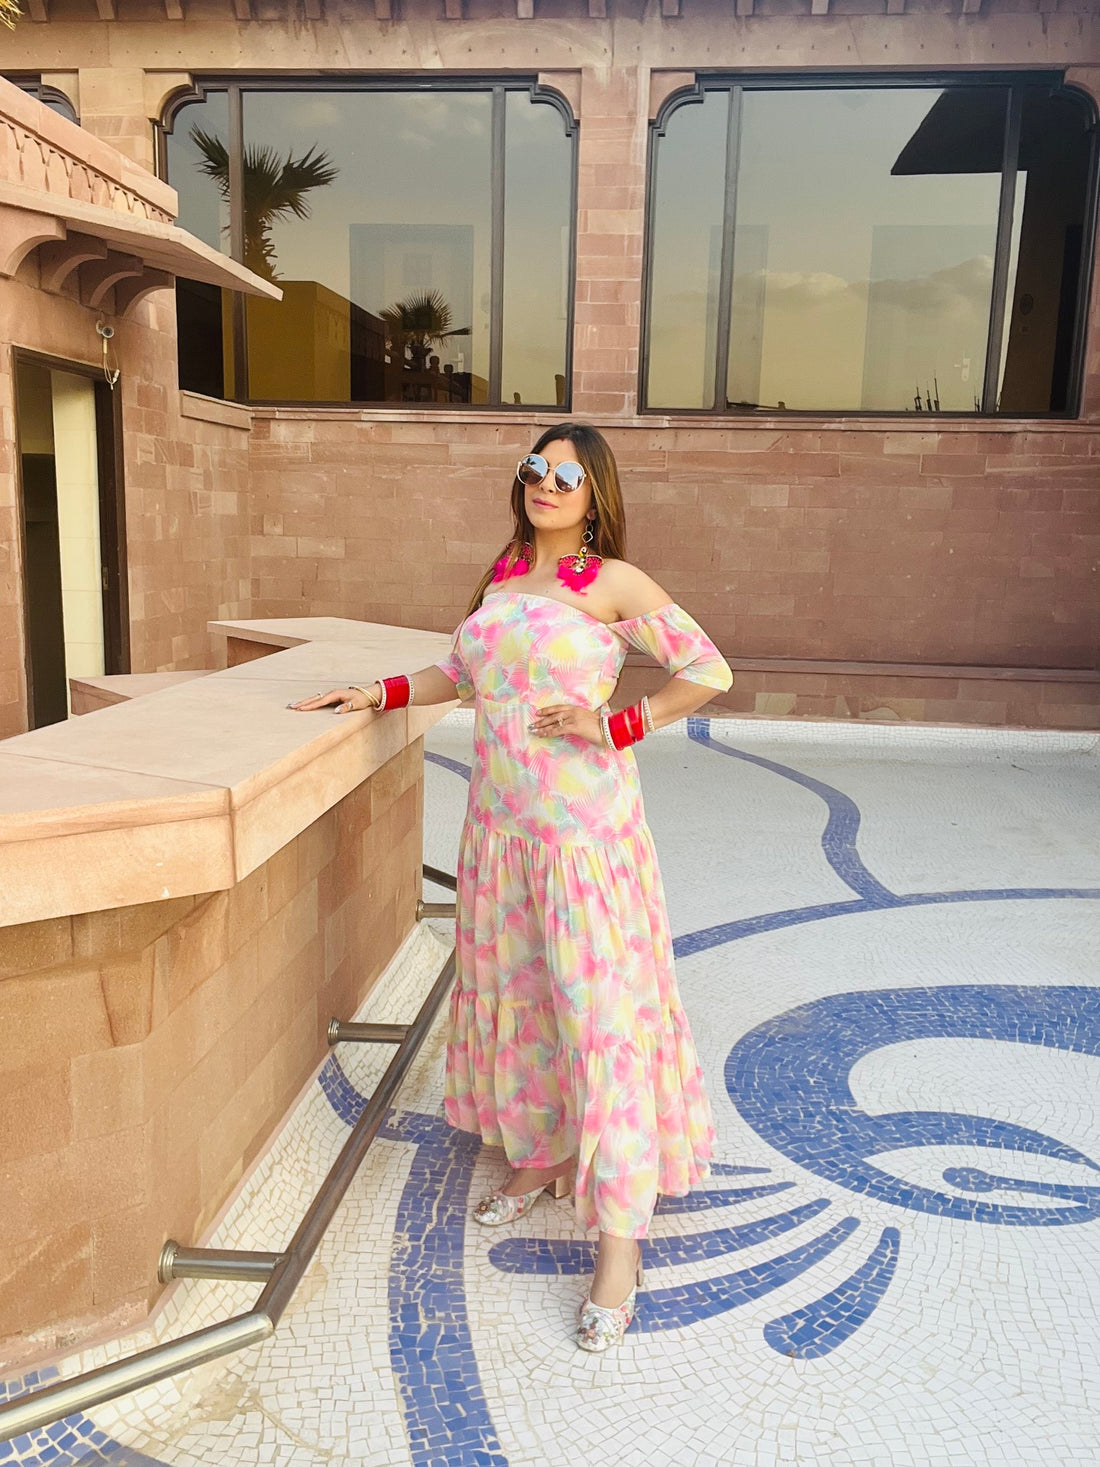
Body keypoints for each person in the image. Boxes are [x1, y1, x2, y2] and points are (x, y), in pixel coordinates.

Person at [292, 422, 733, 1351]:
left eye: (567, 475)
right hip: (500, 835)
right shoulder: (501, 579)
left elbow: (707, 669)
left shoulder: (614, 582)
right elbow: (458, 672)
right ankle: (542, 1152)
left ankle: (621, 1245)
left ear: (595, 493)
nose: (547, 484)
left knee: (601, 1021)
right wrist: (376, 693)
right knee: (522, 1002)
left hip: (582, 839)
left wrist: (615, 723)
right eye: (536, 468)